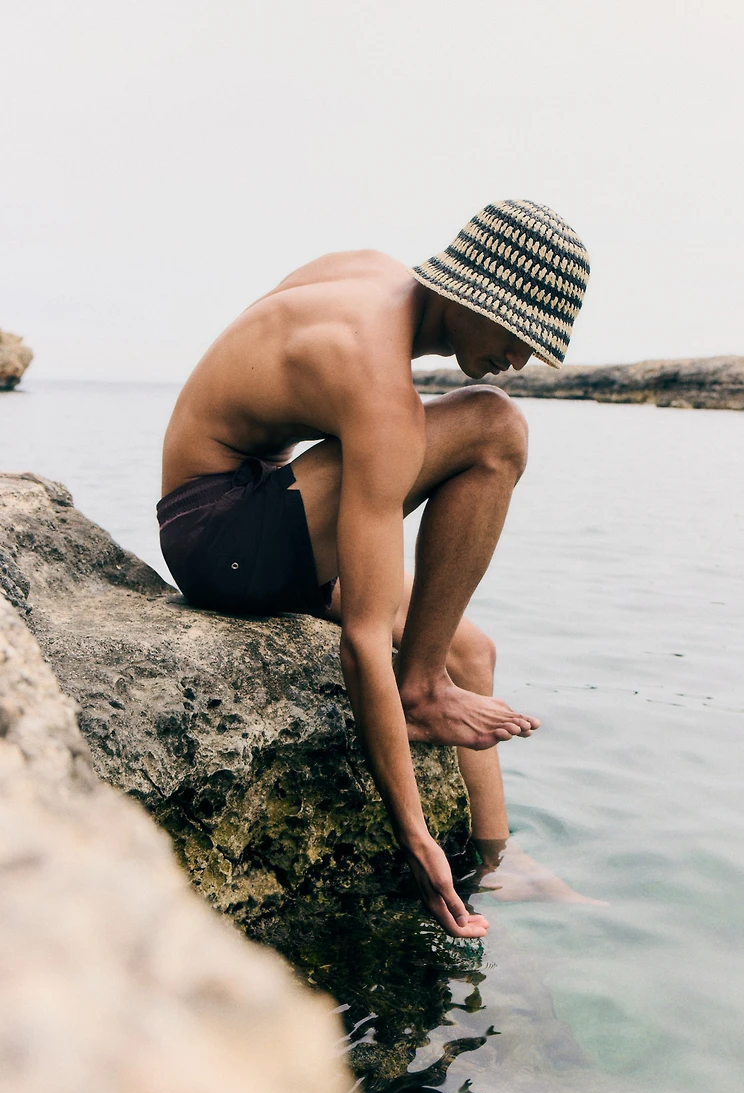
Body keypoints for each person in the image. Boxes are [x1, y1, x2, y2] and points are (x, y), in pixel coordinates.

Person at [158, 199, 596, 939]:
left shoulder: (369, 278)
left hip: (256, 517)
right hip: (221, 540)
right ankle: (423, 688)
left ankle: (500, 861)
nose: (521, 360)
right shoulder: (372, 374)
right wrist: (416, 837)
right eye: (520, 335)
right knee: (496, 424)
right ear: (471, 294)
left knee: (471, 649)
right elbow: (363, 638)